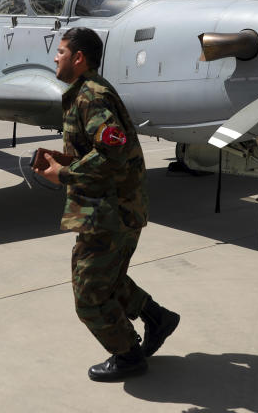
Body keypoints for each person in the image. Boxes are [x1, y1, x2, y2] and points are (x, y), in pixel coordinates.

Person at [32, 27, 179, 382]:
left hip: (112, 211)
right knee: (105, 280)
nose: (56, 56)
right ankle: (157, 317)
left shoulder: (91, 97)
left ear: (79, 58)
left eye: (62, 51)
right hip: (108, 208)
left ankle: (128, 355)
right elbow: (103, 150)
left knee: (89, 296)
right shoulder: (86, 92)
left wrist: (63, 174)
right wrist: (65, 160)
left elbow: (113, 152)